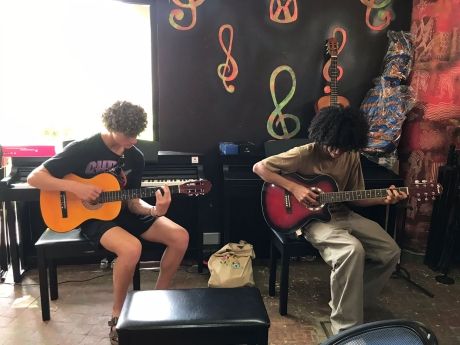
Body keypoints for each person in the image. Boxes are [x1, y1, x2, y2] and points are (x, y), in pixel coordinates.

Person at [27, 101, 189, 345]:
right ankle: (118, 317)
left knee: (180, 236)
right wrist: (76, 187)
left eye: (137, 134)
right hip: (93, 217)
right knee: (131, 248)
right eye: (128, 135)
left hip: (123, 211)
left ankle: (157, 302)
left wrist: (156, 210)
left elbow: (133, 202)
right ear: (112, 126)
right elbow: (34, 177)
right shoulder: (83, 148)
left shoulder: (135, 156)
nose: (133, 140)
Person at [253, 106, 407, 335]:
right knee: (351, 250)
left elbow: (356, 198)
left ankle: (353, 305)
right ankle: (345, 329)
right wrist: (295, 189)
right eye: (333, 146)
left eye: (343, 148)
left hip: (342, 213)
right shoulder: (305, 152)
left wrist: (383, 199)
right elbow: (260, 167)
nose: (337, 152)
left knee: (390, 251)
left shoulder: (351, 155)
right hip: (312, 220)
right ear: (323, 135)